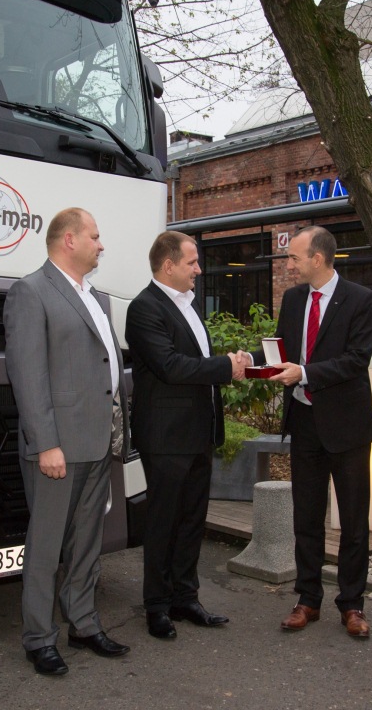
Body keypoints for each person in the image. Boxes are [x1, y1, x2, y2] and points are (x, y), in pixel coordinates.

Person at [3, 207, 131, 676]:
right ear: (69, 240)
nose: (101, 245)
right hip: (57, 448)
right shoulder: (30, 291)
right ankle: (39, 638)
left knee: (86, 543)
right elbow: (27, 375)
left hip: (98, 442)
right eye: (95, 236)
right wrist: (45, 444)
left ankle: (83, 623)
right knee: (46, 547)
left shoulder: (96, 297)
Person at [244, 225, 372, 638]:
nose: (289, 265)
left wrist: (303, 372)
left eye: (294, 258)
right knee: (306, 517)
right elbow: (282, 350)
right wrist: (252, 362)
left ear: (317, 259)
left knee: (353, 520)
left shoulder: (361, 299)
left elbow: (356, 360)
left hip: (347, 427)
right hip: (304, 423)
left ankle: (352, 604)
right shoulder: (293, 298)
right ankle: (308, 599)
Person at [125, 231, 246, 640]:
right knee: (163, 522)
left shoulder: (188, 304)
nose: (199, 269)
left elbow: (194, 362)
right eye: (192, 262)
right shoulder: (144, 308)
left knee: (193, 520)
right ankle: (157, 606)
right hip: (166, 437)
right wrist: (224, 366)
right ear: (168, 265)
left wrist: (232, 363)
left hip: (198, 434)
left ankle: (185, 597)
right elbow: (171, 366)